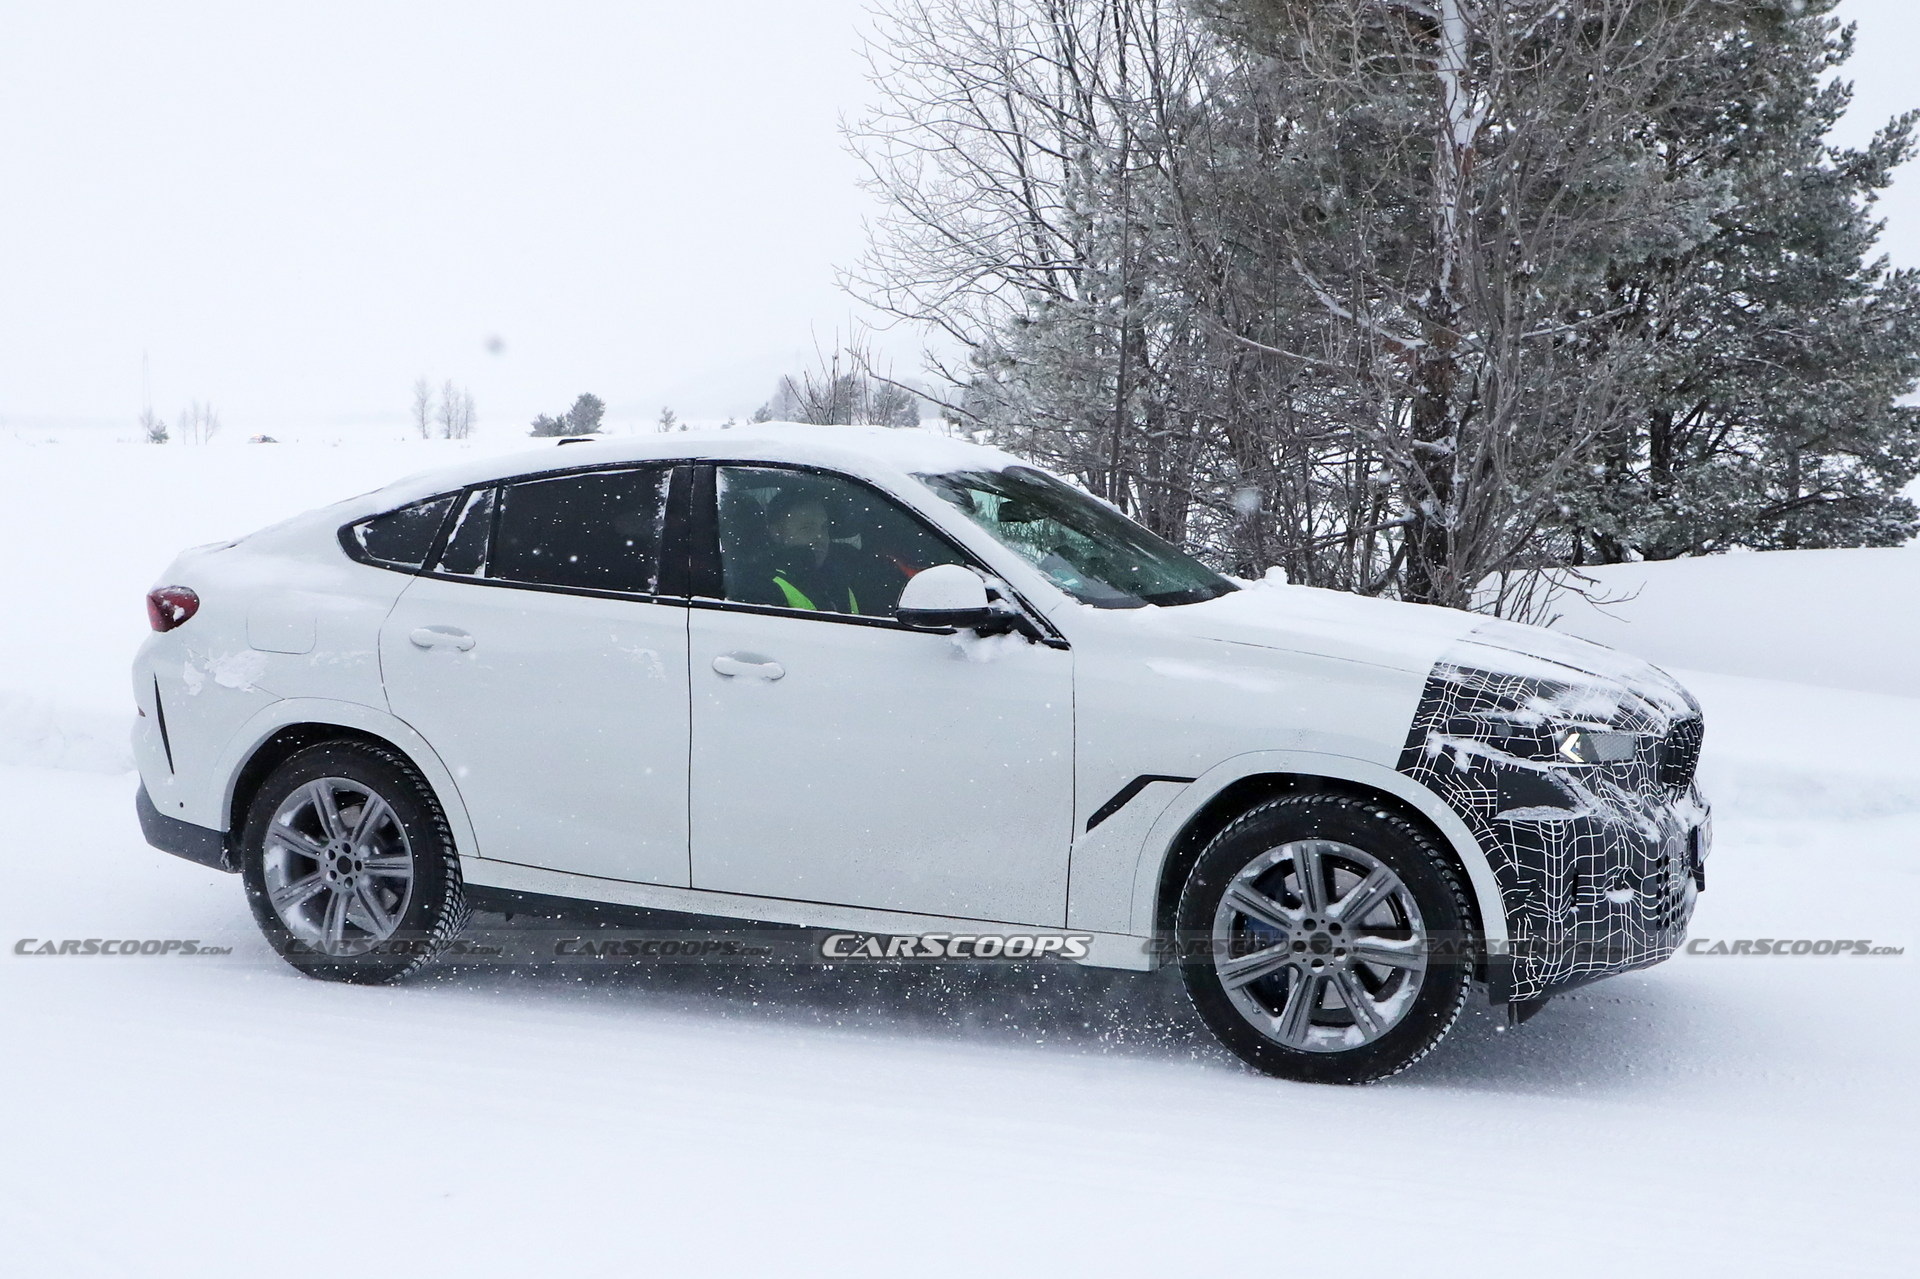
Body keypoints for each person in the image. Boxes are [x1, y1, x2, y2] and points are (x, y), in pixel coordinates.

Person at [759, 489, 904, 615]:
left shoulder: (843, 572)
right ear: (776, 533)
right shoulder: (763, 586)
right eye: (807, 528)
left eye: (824, 527)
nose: (820, 537)